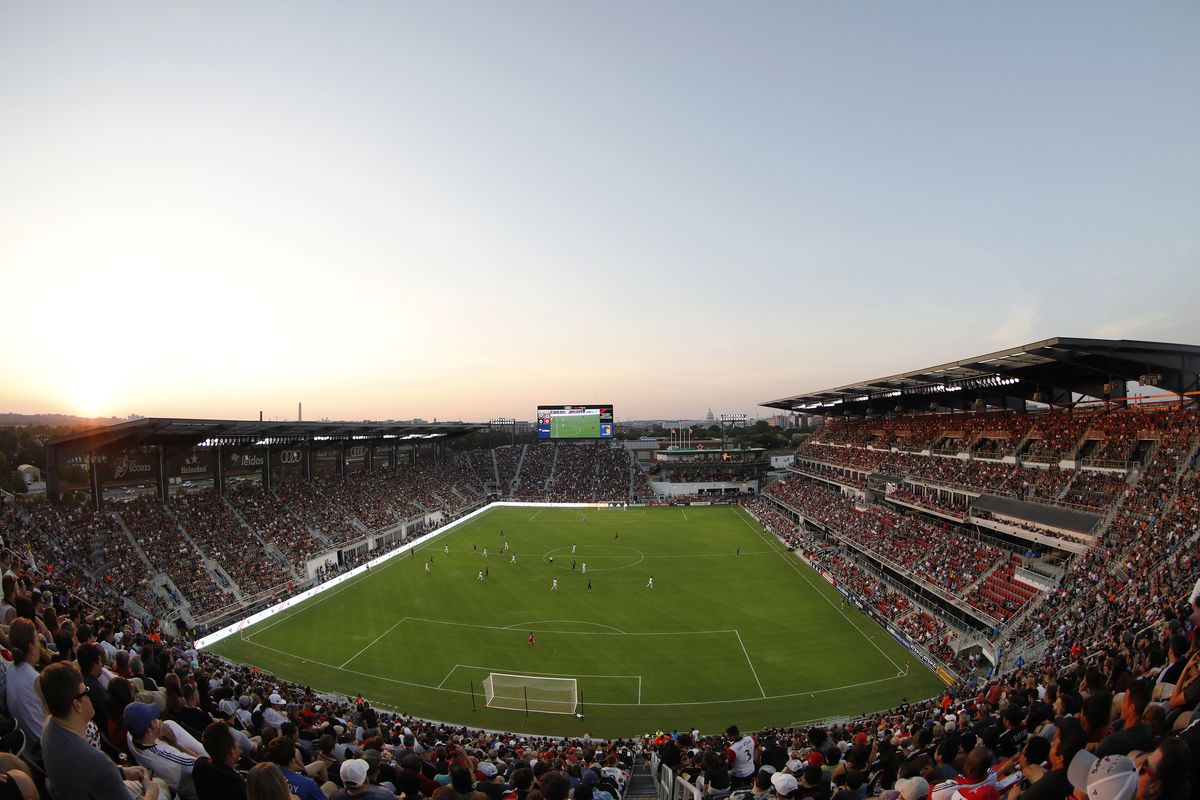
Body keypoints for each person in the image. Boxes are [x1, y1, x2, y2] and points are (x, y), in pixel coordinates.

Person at [40, 661, 162, 800]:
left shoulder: (49, 727)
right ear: (77, 705)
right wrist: (151, 793)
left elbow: (90, 773)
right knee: (160, 785)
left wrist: (121, 772)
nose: (89, 694)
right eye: (85, 690)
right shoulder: (95, 761)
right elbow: (96, 769)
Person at [193, 721, 247, 800]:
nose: (238, 746)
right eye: (236, 743)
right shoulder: (237, 784)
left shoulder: (200, 765)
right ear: (232, 752)